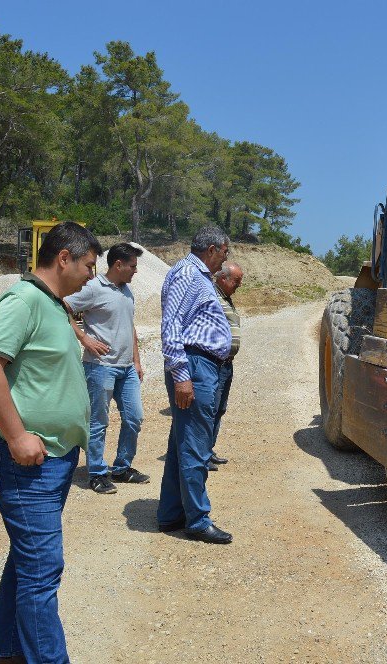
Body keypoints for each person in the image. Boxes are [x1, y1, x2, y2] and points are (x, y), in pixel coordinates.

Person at [0, 222, 101, 664]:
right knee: (42, 572)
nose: (91, 275)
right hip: (26, 462)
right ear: (63, 258)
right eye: (87, 265)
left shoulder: (55, 303)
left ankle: (4, 650)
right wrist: (17, 435)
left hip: (54, 458)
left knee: (28, 561)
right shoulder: (23, 300)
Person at [157, 225, 233, 545]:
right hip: (195, 366)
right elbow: (171, 324)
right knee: (195, 446)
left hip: (202, 365)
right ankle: (198, 520)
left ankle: (172, 513)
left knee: (182, 444)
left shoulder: (198, 275)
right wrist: (181, 374)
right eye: (224, 253)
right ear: (212, 249)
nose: (225, 260)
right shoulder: (188, 273)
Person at [64, 242, 148, 494]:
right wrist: (84, 338)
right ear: (118, 264)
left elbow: (129, 326)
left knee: (134, 418)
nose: (136, 271)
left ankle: (122, 467)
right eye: (132, 266)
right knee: (98, 422)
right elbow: (62, 307)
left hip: (126, 368)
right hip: (100, 367)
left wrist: (136, 360)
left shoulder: (126, 291)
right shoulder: (93, 288)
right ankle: (97, 473)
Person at [207, 262, 244, 470]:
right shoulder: (212, 296)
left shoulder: (225, 298)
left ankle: (208, 451)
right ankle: (202, 455)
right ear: (223, 279)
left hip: (226, 365)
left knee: (219, 409)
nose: (239, 285)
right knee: (210, 410)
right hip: (214, 364)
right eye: (236, 281)